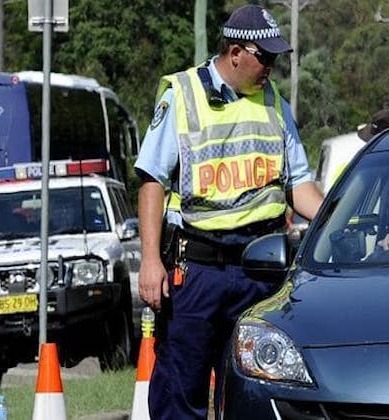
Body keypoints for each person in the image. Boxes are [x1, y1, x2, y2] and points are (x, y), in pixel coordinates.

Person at [133, 4, 324, 419]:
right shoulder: (182, 97)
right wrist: (150, 261)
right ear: (236, 52)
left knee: (259, 388)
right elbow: (151, 181)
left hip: (262, 271)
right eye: (265, 57)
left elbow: (300, 186)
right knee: (182, 391)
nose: (271, 67)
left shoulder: (275, 103)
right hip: (198, 270)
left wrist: (333, 222)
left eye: (275, 58)